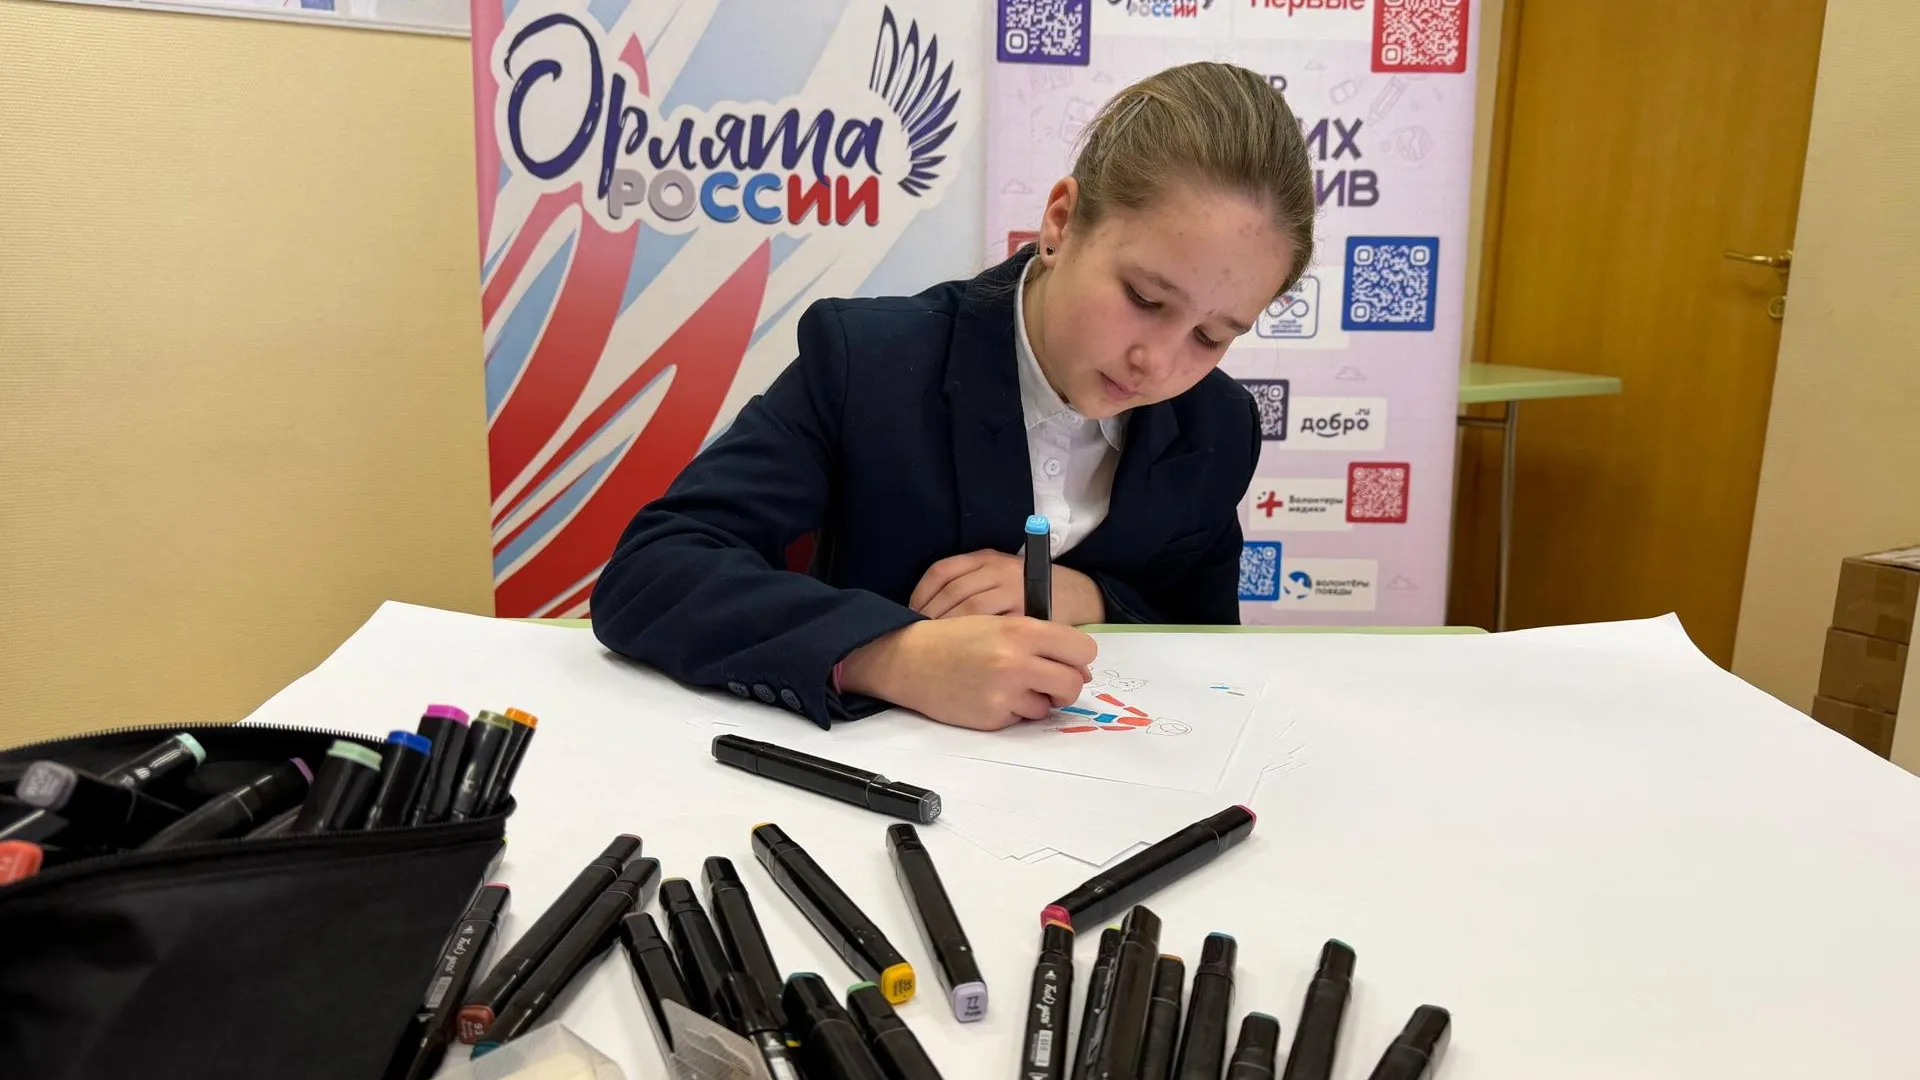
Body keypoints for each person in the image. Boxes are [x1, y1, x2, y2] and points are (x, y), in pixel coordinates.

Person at [591, 62, 1316, 732]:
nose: (1156, 363)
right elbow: (653, 572)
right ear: (1062, 222)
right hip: (874, 787)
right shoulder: (869, 362)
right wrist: (891, 655)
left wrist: (1089, 597)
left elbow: (1208, 636)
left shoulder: (1218, 423)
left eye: (1212, 336)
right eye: (1144, 298)